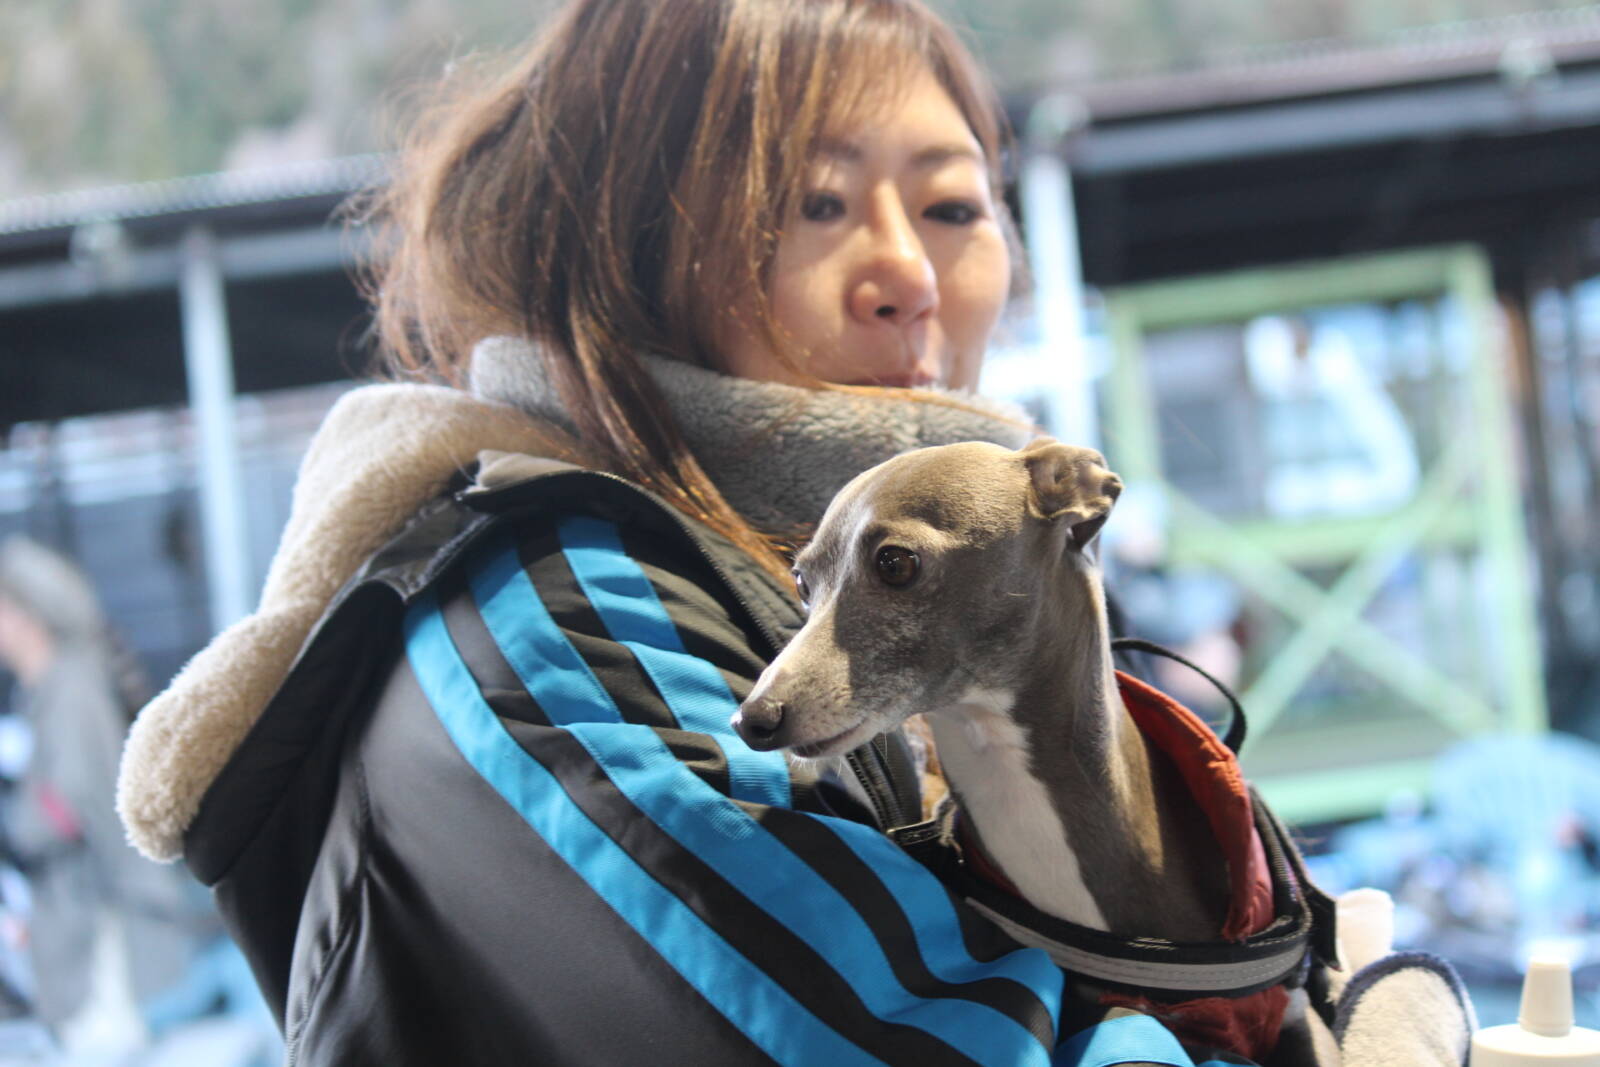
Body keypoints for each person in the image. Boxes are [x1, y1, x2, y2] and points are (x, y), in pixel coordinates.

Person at [116, 1, 1473, 1063]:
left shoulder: (898, 592)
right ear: (621, 247)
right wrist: (1387, 1013)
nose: (906, 271)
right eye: (812, 202)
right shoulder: (555, 615)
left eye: (953, 206)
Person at [0, 537, 218, 1054]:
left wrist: (25, 820)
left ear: (27, 613)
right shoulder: (43, 688)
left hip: (102, 919)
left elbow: (74, 805)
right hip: (75, 913)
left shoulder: (72, 685)